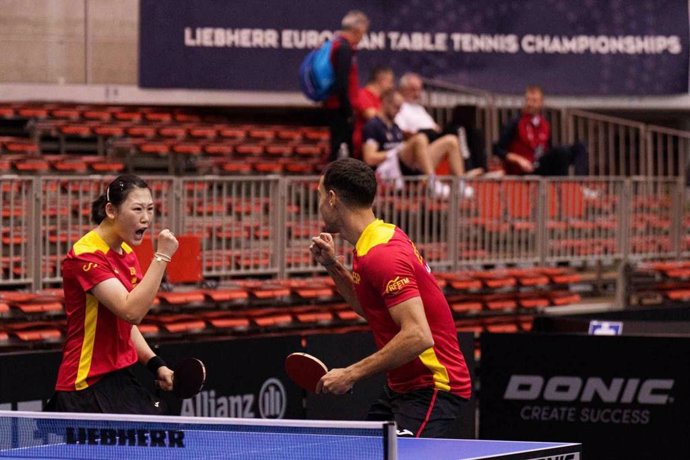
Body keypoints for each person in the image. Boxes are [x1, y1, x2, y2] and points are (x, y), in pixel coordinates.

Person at [309, 158, 472, 438]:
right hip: (403, 385)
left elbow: (419, 335)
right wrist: (333, 265)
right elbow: (369, 308)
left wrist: (350, 373)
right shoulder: (374, 241)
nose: (321, 203)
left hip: (433, 384)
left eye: (321, 195)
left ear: (333, 199)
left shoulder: (382, 254)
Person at [46, 174, 179, 414]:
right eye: (137, 209)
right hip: (86, 385)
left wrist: (156, 365)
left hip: (120, 378)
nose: (146, 218)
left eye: (150, 209)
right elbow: (131, 312)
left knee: (160, 437)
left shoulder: (126, 252)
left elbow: (125, 324)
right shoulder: (86, 256)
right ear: (111, 210)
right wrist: (162, 256)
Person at [362, 89, 468, 198]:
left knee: (451, 141)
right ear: (385, 103)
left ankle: (461, 185)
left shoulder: (395, 127)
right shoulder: (373, 125)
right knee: (420, 139)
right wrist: (394, 152)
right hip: (389, 170)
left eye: (400, 108)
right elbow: (369, 158)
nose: (398, 111)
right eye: (396, 107)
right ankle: (432, 183)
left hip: (408, 167)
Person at [395, 72, 487, 176]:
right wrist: (420, 135)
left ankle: (474, 172)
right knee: (456, 130)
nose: (417, 93)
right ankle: (464, 169)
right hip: (417, 144)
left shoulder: (419, 108)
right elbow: (401, 132)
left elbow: (435, 127)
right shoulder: (399, 108)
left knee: (469, 133)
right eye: (413, 89)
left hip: (432, 139)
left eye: (419, 89)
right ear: (402, 89)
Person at [493, 85, 587, 176]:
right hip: (526, 168)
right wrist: (519, 160)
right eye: (528, 100)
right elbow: (498, 149)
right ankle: (563, 186)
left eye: (534, 101)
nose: (530, 104)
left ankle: (581, 183)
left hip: (541, 164)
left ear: (541, 102)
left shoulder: (544, 124)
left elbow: (548, 148)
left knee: (579, 147)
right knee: (561, 152)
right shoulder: (515, 122)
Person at [324, 10, 370, 162]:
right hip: (340, 108)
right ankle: (333, 184)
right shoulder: (344, 49)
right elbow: (342, 83)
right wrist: (349, 111)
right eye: (363, 32)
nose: (363, 36)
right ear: (356, 29)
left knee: (339, 148)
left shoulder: (337, 45)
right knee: (340, 149)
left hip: (337, 106)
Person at [353, 65, 395, 158]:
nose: (392, 86)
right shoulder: (362, 94)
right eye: (390, 82)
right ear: (381, 80)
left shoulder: (381, 100)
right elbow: (371, 115)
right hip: (365, 145)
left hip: (382, 143)